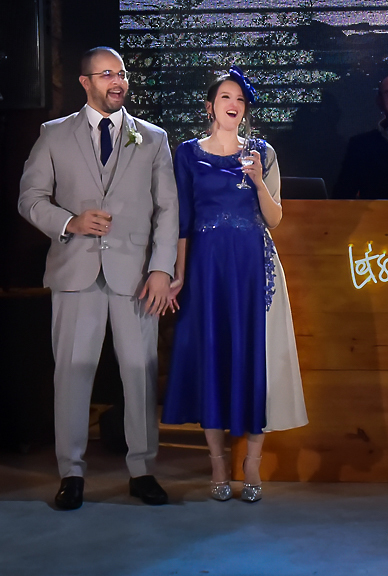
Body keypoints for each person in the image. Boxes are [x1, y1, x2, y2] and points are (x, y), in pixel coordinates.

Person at [17, 46, 178, 510]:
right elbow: (30, 198)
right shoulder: (54, 135)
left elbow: (168, 208)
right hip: (75, 271)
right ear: (85, 82)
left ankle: (142, 470)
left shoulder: (152, 138)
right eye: (106, 74)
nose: (117, 81)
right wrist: (70, 222)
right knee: (72, 373)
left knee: (140, 373)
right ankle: (71, 473)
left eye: (121, 73)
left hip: (136, 276)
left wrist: (161, 269)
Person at [162, 68, 307, 502]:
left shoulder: (262, 151)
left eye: (240, 99)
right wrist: (180, 273)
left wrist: (259, 179)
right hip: (207, 268)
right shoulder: (187, 154)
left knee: (254, 357)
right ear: (210, 106)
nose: (233, 104)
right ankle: (217, 464)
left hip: (252, 266)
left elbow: (275, 218)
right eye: (226, 97)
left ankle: (252, 464)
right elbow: (183, 220)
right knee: (211, 358)